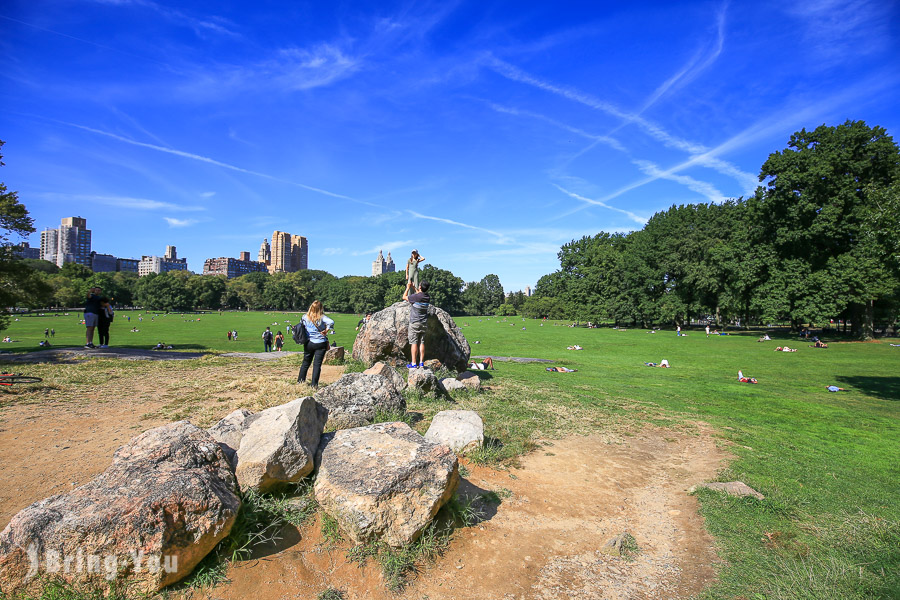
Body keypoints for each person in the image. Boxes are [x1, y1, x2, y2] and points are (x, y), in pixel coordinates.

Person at [297, 300, 334, 388]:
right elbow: (331, 322)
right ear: (321, 308)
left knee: (305, 363)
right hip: (320, 342)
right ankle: (314, 385)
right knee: (317, 365)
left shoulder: (305, 317)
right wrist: (327, 330)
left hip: (309, 342)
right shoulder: (322, 317)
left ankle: (300, 381)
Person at [403, 280, 431, 368]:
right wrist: (414, 287)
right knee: (421, 342)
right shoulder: (427, 297)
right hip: (423, 322)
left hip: (415, 322)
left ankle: (414, 363)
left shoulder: (415, 297)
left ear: (420, 287)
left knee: (414, 342)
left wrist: (408, 288)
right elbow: (420, 294)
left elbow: (404, 297)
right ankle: (421, 363)